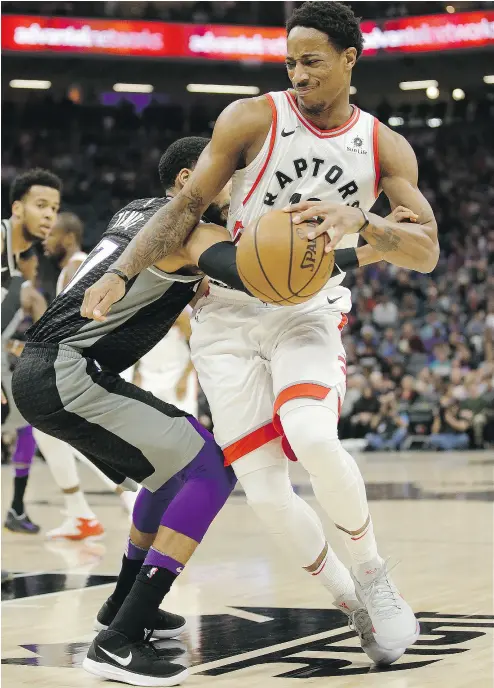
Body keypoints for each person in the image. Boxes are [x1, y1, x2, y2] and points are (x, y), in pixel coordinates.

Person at [80, 1, 439, 659]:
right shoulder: (251, 118)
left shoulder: (384, 144)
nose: (298, 74)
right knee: (268, 493)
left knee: (310, 431)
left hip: (307, 307)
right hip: (228, 317)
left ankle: (374, 575)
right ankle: (349, 602)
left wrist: (360, 220)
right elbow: (184, 210)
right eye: (290, 63)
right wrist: (122, 273)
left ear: (349, 59)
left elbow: (426, 248)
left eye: (312, 61)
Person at [12, 137, 239, 687]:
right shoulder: (188, 228)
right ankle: (116, 642)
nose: (236, 185)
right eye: (229, 174)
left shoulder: (133, 210)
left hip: (51, 368)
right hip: (69, 369)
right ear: (189, 181)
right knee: (212, 470)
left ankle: (120, 606)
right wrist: (359, 248)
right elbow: (255, 269)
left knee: (165, 475)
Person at [35, 212, 129, 540]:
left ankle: (128, 496)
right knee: (55, 432)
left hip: (89, 364)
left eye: (52, 234)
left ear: (69, 237)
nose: (45, 241)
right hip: (86, 362)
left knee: (65, 432)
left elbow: (86, 323)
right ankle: (83, 514)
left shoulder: (77, 265)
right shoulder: (71, 269)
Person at [2, 168, 61, 534]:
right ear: (17, 208)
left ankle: (17, 508)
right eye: (41, 205)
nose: (49, 215)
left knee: (26, 420)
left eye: (54, 208)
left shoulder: (19, 267)